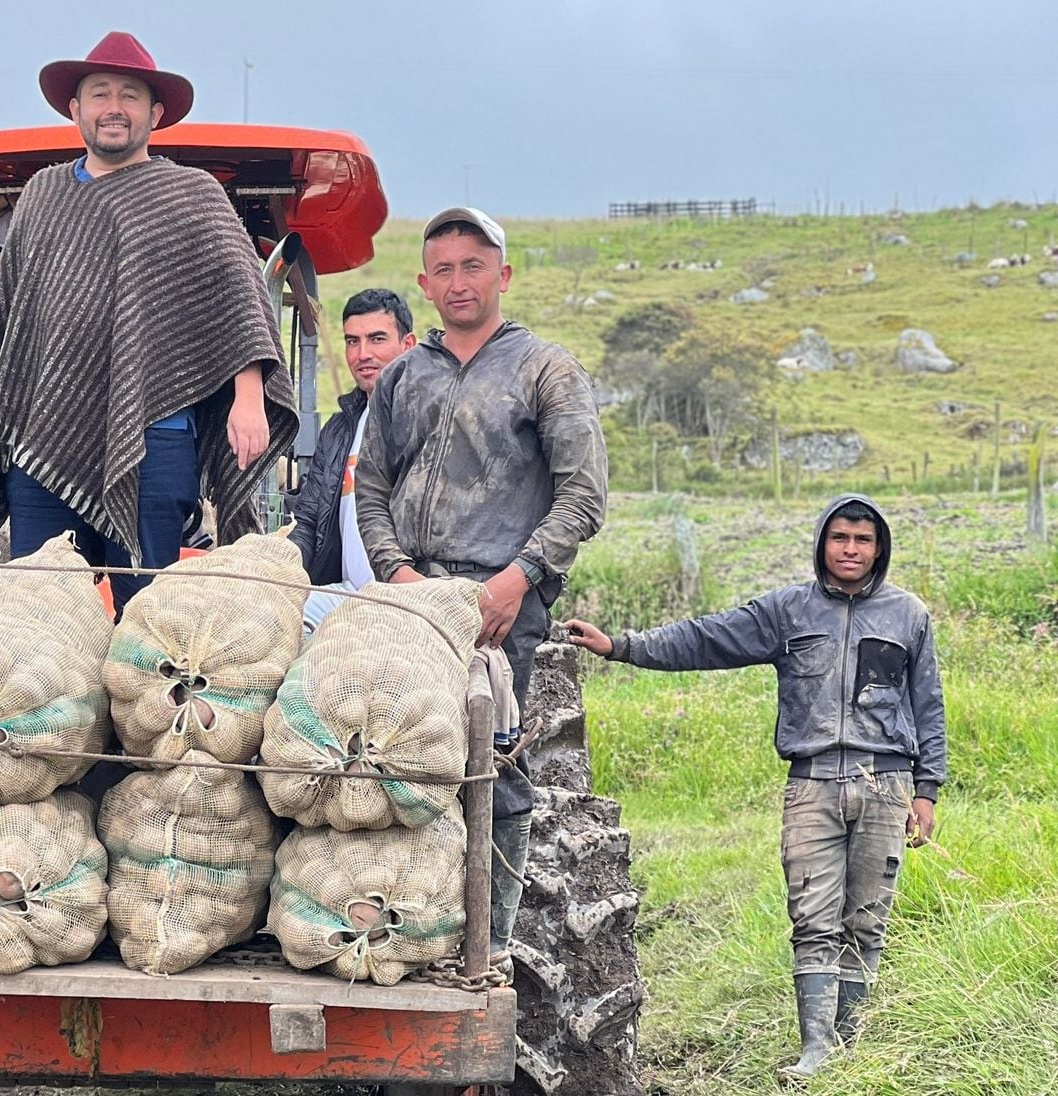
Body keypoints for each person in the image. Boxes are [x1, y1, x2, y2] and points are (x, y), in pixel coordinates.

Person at [564, 494, 946, 1079]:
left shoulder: (908, 615)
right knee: (813, 918)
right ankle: (816, 1051)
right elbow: (706, 638)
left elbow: (929, 707)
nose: (851, 549)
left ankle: (852, 1047)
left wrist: (927, 790)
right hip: (812, 785)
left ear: (879, 548)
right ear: (822, 542)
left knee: (866, 921)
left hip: (886, 781)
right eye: (840, 537)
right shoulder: (788, 610)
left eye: (863, 540)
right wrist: (621, 646)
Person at [0, 31, 296, 607]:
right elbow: (10, 321)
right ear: (74, 109)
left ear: (155, 113)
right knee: (40, 610)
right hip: (43, 438)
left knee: (146, 616)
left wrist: (250, 397)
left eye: (130, 95)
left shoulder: (191, 194)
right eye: (100, 93)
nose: (114, 107)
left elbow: (240, 298)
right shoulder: (41, 195)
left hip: (155, 436)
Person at [354, 207, 608, 977]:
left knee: (493, 767)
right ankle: (399, 926)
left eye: (475, 265)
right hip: (411, 599)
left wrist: (512, 580)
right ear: (426, 285)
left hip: (500, 609)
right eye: (444, 269)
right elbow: (371, 488)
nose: (459, 281)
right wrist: (397, 572)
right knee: (387, 761)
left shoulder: (545, 369)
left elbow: (582, 497)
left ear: (504, 274)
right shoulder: (403, 376)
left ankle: (486, 946)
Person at [288, 289, 416, 630]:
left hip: (406, 598)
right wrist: (279, 568)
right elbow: (309, 518)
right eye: (352, 341)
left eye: (377, 339)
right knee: (269, 621)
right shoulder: (341, 427)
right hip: (347, 594)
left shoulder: (425, 419)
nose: (363, 354)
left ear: (409, 345)